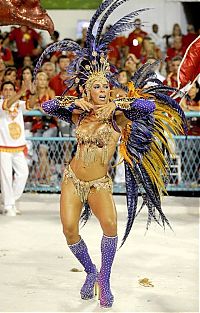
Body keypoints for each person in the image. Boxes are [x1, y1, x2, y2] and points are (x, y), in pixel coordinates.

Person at [34, 0, 187, 308]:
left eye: (106, 86)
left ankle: (104, 278)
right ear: (88, 90)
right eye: (97, 87)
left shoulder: (118, 115)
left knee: (110, 228)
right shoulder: (78, 114)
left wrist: (118, 105)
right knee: (68, 229)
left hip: (100, 183)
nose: (103, 89)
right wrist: (71, 103)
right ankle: (90, 272)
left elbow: (148, 107)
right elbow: (46, 107)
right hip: (73, 178)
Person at [0, 80, 35, 216]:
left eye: (10, 89)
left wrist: (32, 92)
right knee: (6, 177)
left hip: (19, 147)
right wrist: (22, 91)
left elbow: (31, 105)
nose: (8, 92)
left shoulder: (19, 104)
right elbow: (6, 105)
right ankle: (8, 206)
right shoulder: (1, 103)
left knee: (23, 174)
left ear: (14, 91)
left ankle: (10, 201)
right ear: (2, 92)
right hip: (3, 147)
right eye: (6, 89)